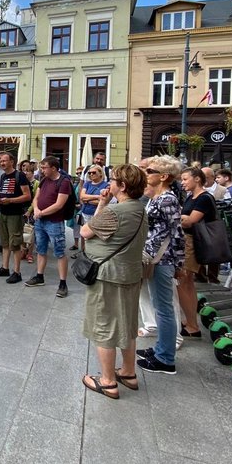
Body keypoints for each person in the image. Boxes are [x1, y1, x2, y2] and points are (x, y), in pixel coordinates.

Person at [80, 164, 149, 399]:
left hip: (108, 276)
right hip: (130, 274)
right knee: (127, 324)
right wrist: (104, 202)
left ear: (123, 186)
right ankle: (128, 372)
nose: (109, 184)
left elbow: (86, 231)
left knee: (104, 326)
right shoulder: (139, 208)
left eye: (112, 180)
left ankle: (108, 381)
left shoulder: (115, 212)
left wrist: (102, 204)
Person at [136, 156, 186, 375]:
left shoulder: (167, 199)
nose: (146, 174)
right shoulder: (155, 197)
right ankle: (160, 349)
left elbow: (177, 233)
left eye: (150, 171)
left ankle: (165, 358)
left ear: (163, 176)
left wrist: (180, 264)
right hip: (154, 258)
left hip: (162, 260)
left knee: (164, 309)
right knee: (159, 306)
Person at [26, 156, 73, 298]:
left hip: (54, 222)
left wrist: (41, 213)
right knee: (41, 250)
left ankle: (63, 283)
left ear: (53, 168)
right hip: (40, 221)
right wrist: (36, 209)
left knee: (59, 252)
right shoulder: (44, 180)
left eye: (44, 167)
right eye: (41, 167)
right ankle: (39, 276)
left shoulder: (64, 182)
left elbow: (59, 204)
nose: (41, 170)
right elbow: (36, 198)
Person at [178, 166, 215, 334]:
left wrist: (182, 217)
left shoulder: (204, 198)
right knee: (187, 283)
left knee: (183, 282)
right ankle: (190, 320)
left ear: (197, 179)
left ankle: (192, 325)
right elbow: (185, 218)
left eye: (185, 179)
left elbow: (189, 221)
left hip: (192, 242)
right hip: (188, 241)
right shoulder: (191, 196)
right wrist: (183, 217)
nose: (182, 182)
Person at [0, 151, 31, 283]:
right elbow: (5, 194)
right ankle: (5, 268)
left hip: (15, 214)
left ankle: (17, 272)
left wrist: (10, 200)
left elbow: (27, 196)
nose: (2, 163)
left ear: (11, 162)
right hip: (3, 212)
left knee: (15, 243)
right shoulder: (3, 176)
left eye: (4, 161)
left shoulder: (20, 175)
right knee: (4, 242)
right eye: (0, 161)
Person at [79, 165, 109, 250]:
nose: (91, 174)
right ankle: (84, 251)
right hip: (85, 213)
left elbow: (104, 201)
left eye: (94, 172)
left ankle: (93, 251)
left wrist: (87, 200)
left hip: (97, 215)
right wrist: (98, 197)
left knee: (95, 236)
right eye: (89, 173)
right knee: (84, 235)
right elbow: (82, 196)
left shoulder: (106, 185)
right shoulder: (87, 183)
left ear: (100, 173)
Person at [19, 160, 40, 265]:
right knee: (21, 231)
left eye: (27, 171)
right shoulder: (22, 182)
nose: (25, 173)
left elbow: (36, 199)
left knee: (30, 232)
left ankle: (30, 253)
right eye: (24, 171)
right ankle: (23, 251)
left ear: (32, 172)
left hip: (31, 210)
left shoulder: (36, 183)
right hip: (21, 209)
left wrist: (29, 210)